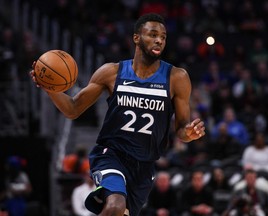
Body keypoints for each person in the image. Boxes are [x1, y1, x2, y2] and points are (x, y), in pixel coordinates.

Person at [30, 13, 206, 216]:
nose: (159, 40)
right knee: (115, 205)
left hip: (144, 165)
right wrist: (50, 88)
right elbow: (72, 109)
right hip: (111, 154)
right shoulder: (112, 72)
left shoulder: (177, 78)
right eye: (153, 34)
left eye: (163, 36)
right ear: (136, 38)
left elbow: (182, 129)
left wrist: (189, 133)